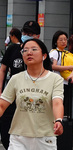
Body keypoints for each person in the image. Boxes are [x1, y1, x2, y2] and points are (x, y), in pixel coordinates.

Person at [0, 38, 64, 150]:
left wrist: (58, 120)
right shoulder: (16, 79)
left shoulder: (55, 79)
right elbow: (2, 105)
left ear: (44, 56)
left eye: (34, 49)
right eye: (25, 50)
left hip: (45, 137)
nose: (29, 52)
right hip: (19, 137)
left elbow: (57, 103)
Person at [0, 21, 41, 149]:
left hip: (32, 95)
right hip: (13, 94)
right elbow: (3, 69)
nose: (26, 35)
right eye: (24, 33)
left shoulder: (40, 51)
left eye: (30, 34)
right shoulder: (13, 49)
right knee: (6, 122)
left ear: (37, 36)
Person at [49, 30, 73, 117]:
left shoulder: (66, 53)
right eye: (61, 40)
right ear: (55, 41)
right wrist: (69, 68)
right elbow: (53, 66)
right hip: (57, 82)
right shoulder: (54, 52)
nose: (64, 42)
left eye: (65, 39)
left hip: (65, 82)